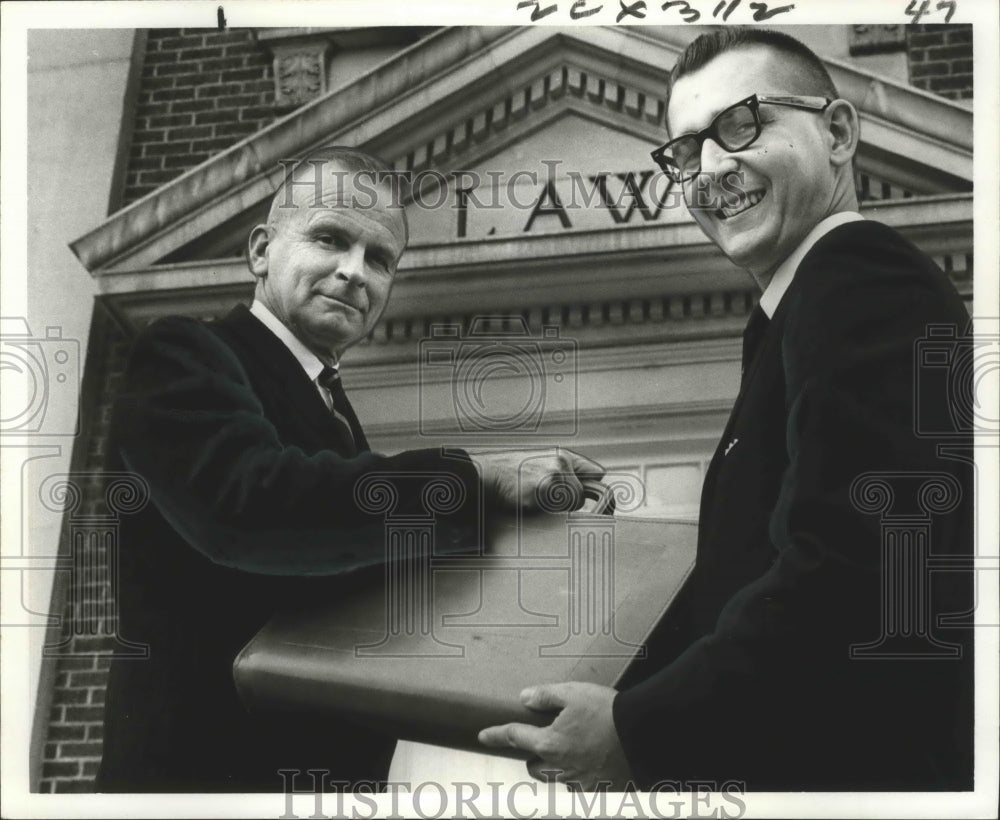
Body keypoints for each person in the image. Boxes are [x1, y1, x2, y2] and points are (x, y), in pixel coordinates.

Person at [479, 28, 974, 792]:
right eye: (684, 152)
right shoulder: (797, 311)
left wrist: (637, 730)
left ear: (838, 132)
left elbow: (849, 568)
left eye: (741, 125)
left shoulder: (859, 278)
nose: (710, 169)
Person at [95, 146, 602, 792]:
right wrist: (476, 478)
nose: (354, 273)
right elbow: (251, 505)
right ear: (260, 252)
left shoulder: (333, 415)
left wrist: (523, 524)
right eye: (330, 238)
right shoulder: (184, 353)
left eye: (380, 259)